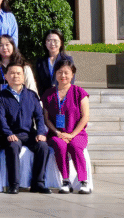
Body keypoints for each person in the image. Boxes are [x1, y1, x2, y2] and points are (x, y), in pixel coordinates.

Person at [0, 62, 53, 194]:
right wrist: (8, 133)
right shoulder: (1, 96)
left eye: (19, 73)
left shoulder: (32, 95)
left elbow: (39, 117)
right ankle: (14, 184)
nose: (15, 76)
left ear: (23, 76)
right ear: (6, 76)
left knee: (43, 146)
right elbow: (0, 119)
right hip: (11, 135)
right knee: (13, 146)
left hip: (29, 134)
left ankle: (38, 183)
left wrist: (41, 132)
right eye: (12, 73)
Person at [42, 59, 91, 194]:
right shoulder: (49, 94)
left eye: (66, 73)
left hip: (77, 133)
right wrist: (58, 133)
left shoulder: (79, 92)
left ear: (72, 74)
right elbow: (46, 118)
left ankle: (84, 181)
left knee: (75, 146)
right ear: (55, 74)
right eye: (59, 72)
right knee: (60, 145)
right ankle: (65, 181)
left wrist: (72, 134)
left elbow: (85, 117)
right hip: (56, 134)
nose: (63, 76)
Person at [34, 30, 73, 95]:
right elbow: (39, 83)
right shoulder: (40, 62)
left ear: (61, 43)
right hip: (45, 98)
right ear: (45, 43)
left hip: (64, 96)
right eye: (49, 40)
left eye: (55, 41)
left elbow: (71, 81)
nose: (52, 44)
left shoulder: (67, 60)